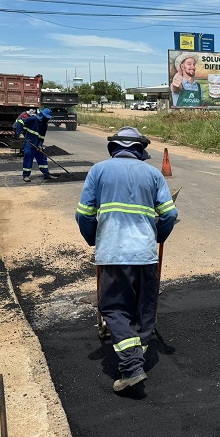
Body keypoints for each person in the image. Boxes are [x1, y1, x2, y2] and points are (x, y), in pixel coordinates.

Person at [75, 126, 178, 392]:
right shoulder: (154, 174)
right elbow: (168, 214)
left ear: (114, 147)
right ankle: (137, 357)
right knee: (144, 309)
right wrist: (158, 236)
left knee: (114, 308)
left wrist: (93, 239)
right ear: (140, 150)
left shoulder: (98, 171)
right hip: (145, 255)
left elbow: (84, 215)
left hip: (113, 254)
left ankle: (132, 367)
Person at [14, 107, 54, 181]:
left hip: (37, 145)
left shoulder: (44, 125)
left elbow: (42, 137)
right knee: (28, 156)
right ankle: (26, 175)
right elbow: (19, 122)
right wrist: (20, 133)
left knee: (42, 158)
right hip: (29, 143)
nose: (48, 119)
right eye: (47, 118)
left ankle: (46, 174)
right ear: (43, 116)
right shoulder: (33, 119)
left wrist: (40, 145)